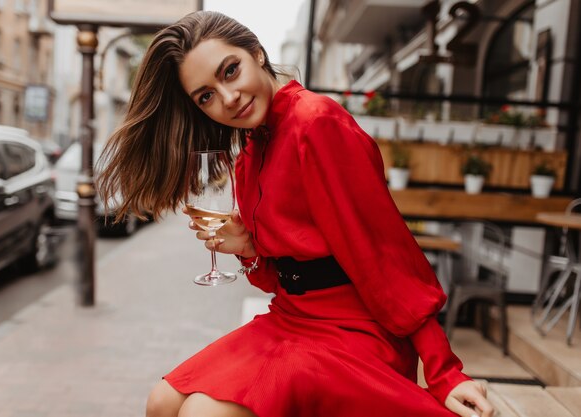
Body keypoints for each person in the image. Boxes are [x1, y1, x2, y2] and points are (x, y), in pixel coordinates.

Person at [97, 10, 495, 417]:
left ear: (256, 52)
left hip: (354, 330)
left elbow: (387, 255)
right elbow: (279, 279)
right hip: (292, 319)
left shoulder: (316, 123)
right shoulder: (250, 153)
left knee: (204, 413)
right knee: (161, 403)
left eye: (230, 71)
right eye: (206, 96)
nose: (227, 98)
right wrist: (249, 249)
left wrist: (445, 372)